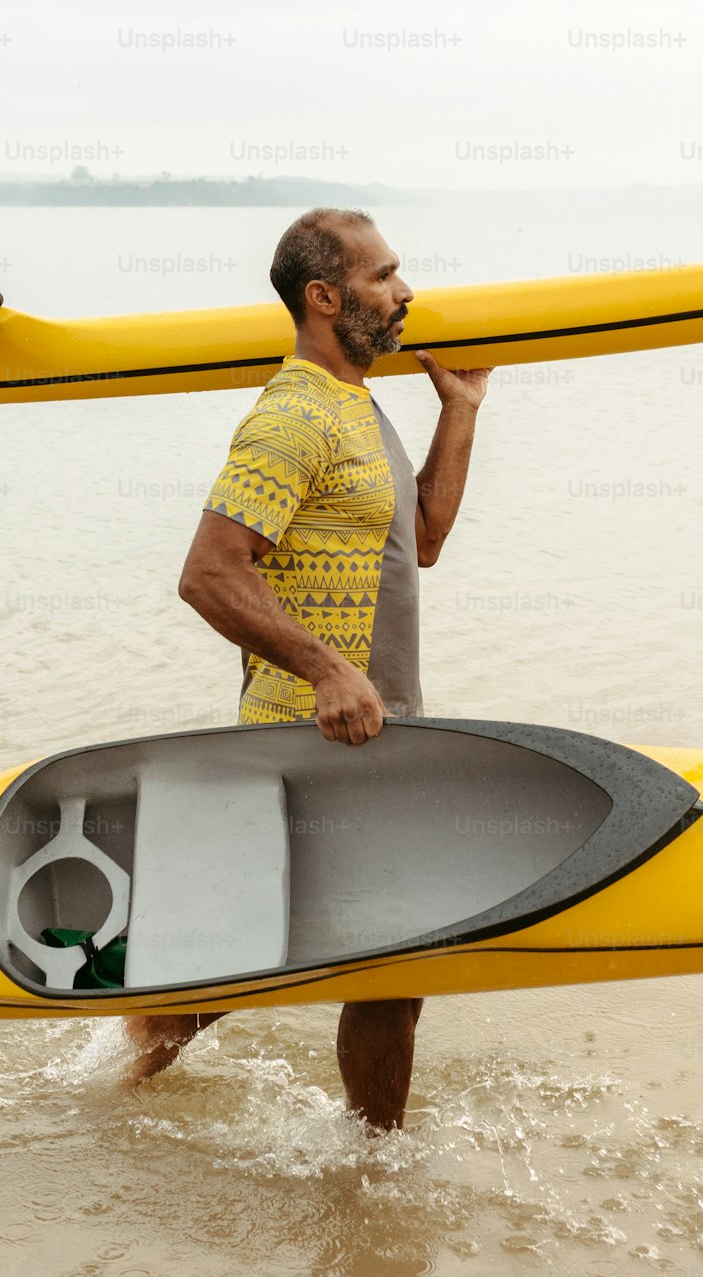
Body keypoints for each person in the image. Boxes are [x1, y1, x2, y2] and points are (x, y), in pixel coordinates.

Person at [124, 208, 492, 1130]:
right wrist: (329, 669)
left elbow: (426, 539)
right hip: (313, 735)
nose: (406, 293)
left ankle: (114, 1085)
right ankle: (372, 1169)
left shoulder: (358, 409)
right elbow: (208, 573)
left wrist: (461, 411)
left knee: (322, 957)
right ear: (325, 299)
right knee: (383, 963)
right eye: (385, 277)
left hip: (374, 728)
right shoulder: (292, 417)